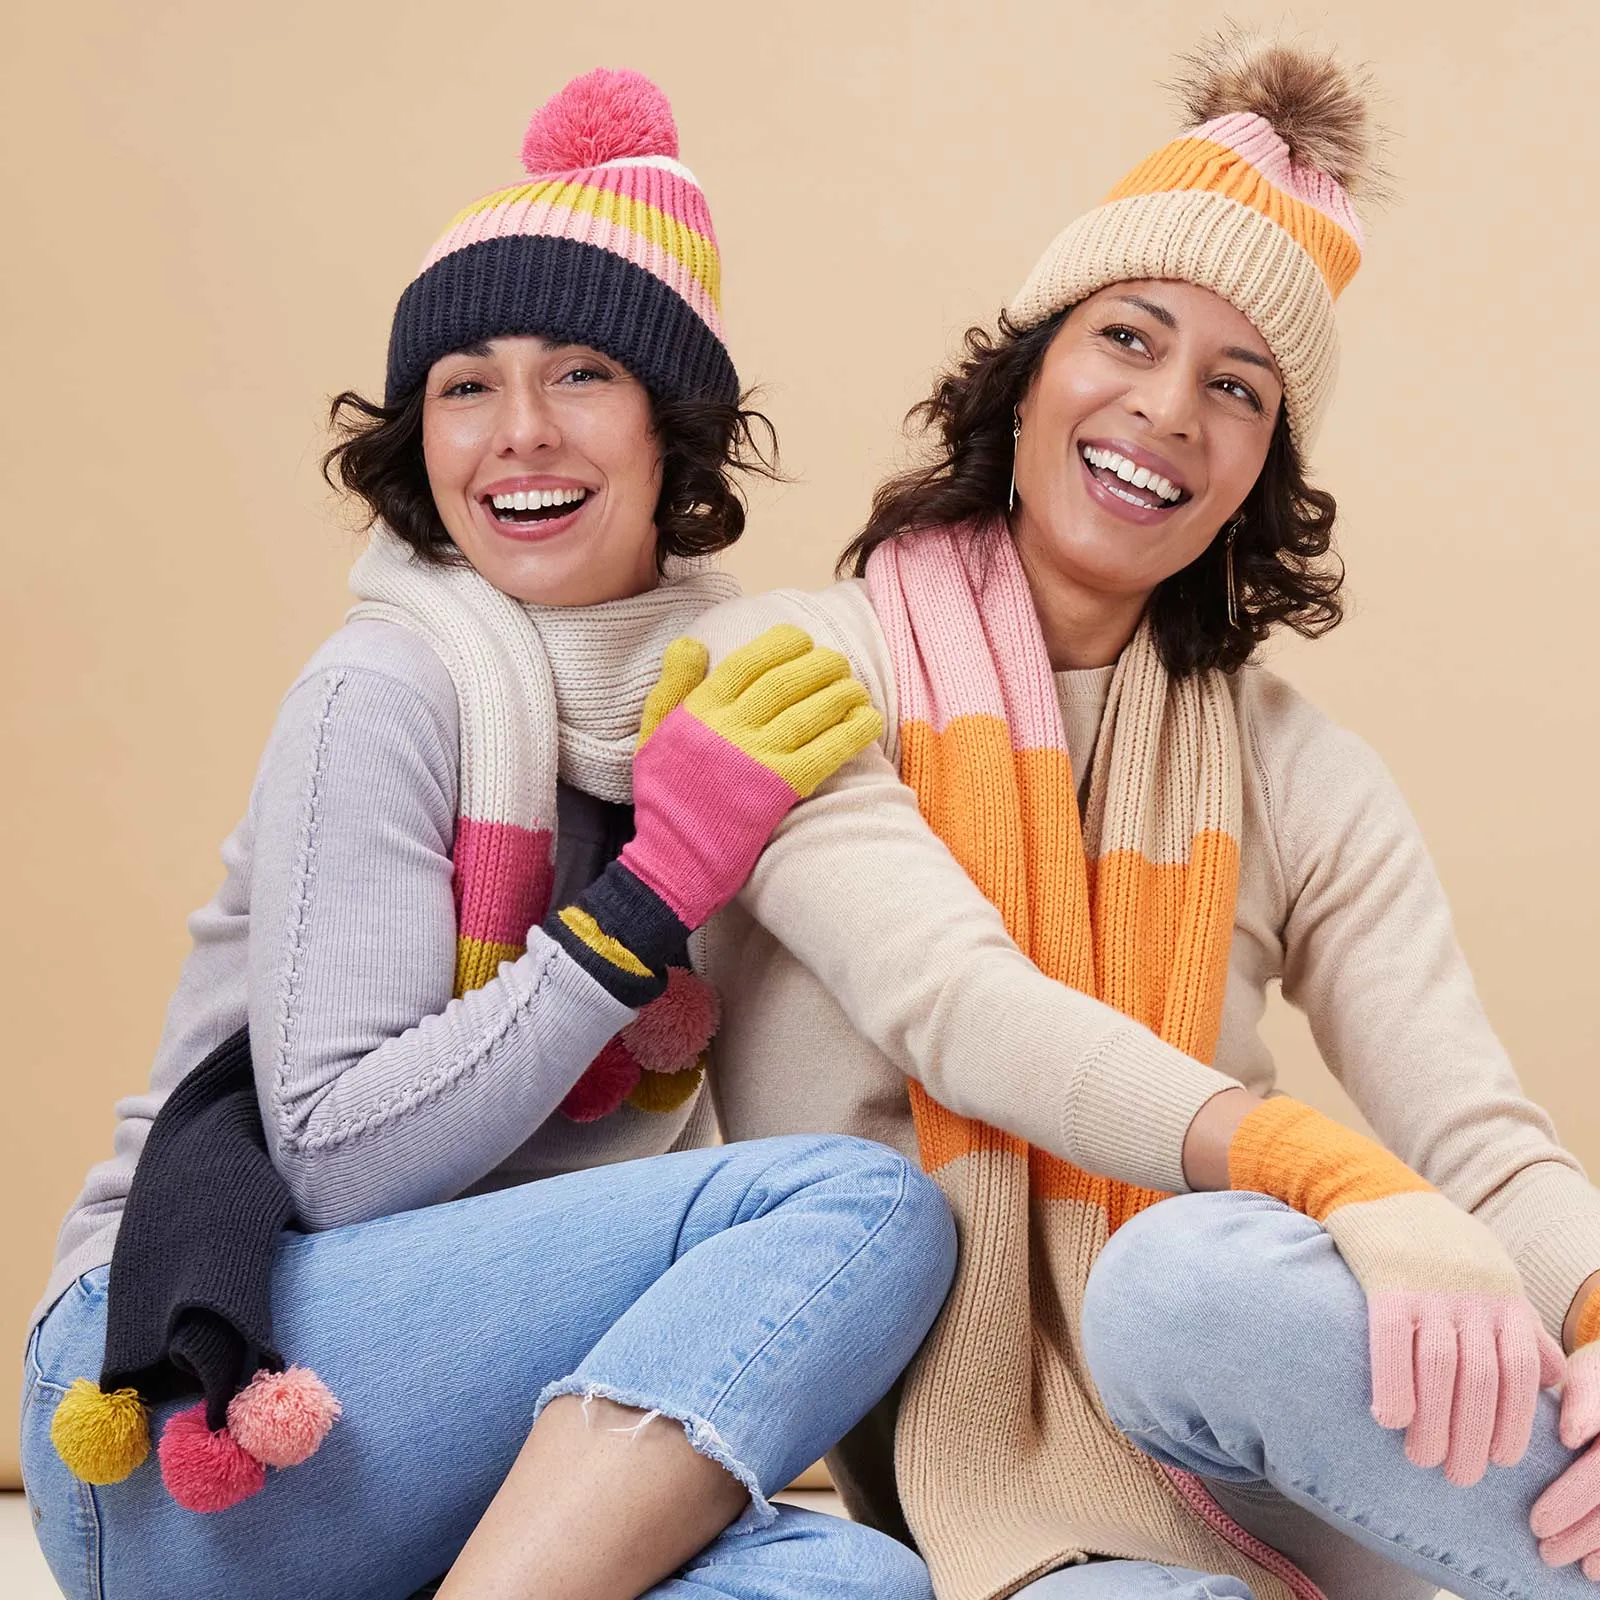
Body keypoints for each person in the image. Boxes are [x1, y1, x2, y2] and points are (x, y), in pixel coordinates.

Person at [21, 68, 955, 1600]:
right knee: (858, 1212)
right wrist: (651, 893)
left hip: (468, 1453)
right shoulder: (383, 688)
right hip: (193, 1392)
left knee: (859, 1595)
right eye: (464, 384)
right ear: (420, 436)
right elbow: (331, 1164)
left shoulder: (713, 705)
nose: (518, 434)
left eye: (580, 372)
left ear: (673, 429)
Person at [693, 31, 1600, 1600]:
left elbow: (1480, 1142)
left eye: (1237, 388)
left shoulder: (1298, 769)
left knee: (1183, 1280)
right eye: (1130, 335)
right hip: (995, 1502)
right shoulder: (790, 674)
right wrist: (1343, 1179)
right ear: (1032, 365)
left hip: (1285, 1448)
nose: (1169, 407)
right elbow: (961, 1006)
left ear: (1260, 469)